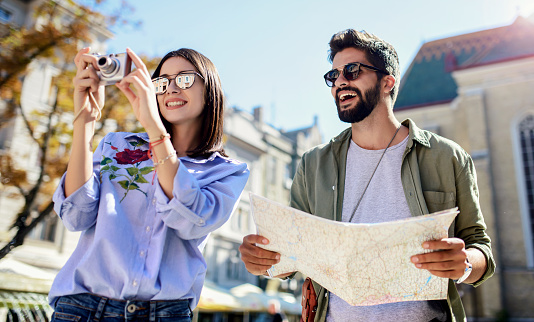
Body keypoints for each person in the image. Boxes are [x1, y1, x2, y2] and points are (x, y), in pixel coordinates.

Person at [239, 29, 495, 321]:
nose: (340, 82)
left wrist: (463, 264)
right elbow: (292, 256)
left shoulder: (447, 157)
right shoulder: (313, 163)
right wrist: (263, 259)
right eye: (333, 76)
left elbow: (481, 250)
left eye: (352, 71)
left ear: (387, 82)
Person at [49, 47, 249, 321]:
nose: (171, 89)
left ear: (210, 89)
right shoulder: (116, 145)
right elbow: (76, 215)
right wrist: (84, 120)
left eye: (185, 79)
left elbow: (190, 219)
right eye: (162, 82)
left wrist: (153, 125)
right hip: (82, 308)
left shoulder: (227, 172)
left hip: (165, 314)